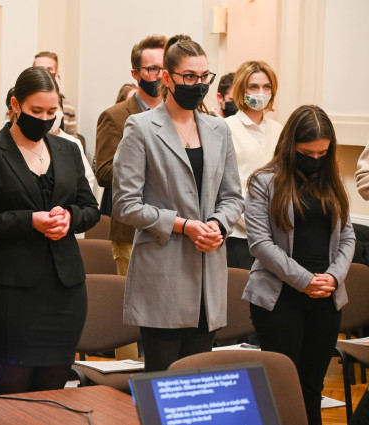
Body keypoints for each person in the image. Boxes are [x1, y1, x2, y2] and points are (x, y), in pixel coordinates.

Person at [0, 66, 100, 394]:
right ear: (15, 105)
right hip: (10, 292)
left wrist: (69, 218)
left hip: (64, 291)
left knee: (52, 393)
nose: (45, 119)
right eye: (37, 111)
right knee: (12, 396)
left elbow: (91, 208)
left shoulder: (67, 149)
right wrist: (28, 221)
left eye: (52, 111)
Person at [113, 34, 243, 372]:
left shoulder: (219, 129)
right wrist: (183, 225)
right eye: (189, 76)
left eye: (204, 77)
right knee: (164, 380)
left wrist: (218, 225)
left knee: (198, 379)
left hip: (208, 271)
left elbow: (232, 196)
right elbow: (125, 204)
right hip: (163, 271)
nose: (198, 85)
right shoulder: (140, 127)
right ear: (167, 78)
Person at [243, 105, 354, 425]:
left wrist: (333, 277)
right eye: (307, 153)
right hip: (279, 298)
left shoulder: (333, 181)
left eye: (322, 153)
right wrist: (304, 280)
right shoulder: (264, 181)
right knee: (282, 390)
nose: (315, 159)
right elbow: (259, 243)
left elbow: (347, 237)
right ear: (290, 145)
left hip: (326, 297)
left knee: (312, 389)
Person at [95, 34, 166, 275]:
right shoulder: (114, 116)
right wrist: (149, 161)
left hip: (175, 227)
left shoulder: (178, 114)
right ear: (136, 74)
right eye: (152, 69)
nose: (160, 75)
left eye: (164, 69)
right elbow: (104, 173)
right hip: (131, 232)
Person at [225, 61, 283, 270]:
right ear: (242, 90)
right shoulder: (225, 128)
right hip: (238, 234)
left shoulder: (278, 130)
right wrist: (251, 221)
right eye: (253, 87)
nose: (261, 93)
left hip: (274, 233)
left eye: (266, 87)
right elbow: (224, 186)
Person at [33, 51, 77, 136]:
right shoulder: (19, 102)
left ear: (56, 73)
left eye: (49, 69)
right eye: (40, 68)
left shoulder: (68, 107)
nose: (45, 72)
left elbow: (73, 139)